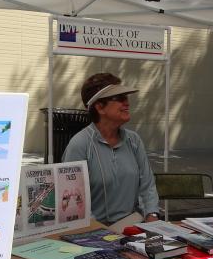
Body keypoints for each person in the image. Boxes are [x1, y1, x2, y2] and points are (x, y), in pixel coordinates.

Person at [63, 73, 160, 233]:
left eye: (126, 97)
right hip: (94, 232)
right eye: (119, 98)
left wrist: (152, 217)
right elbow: (73, 200)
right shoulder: (79, 145)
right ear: (100, 107)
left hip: (134, 227)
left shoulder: (133, 140)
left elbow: (147, 186)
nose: (127, 103)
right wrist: (100, 233)